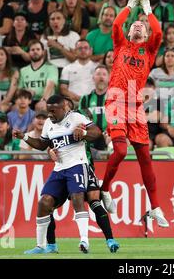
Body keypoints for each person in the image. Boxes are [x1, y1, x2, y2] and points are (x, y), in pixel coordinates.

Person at [100, 0, 169, 228]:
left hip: (136, 107)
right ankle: (105, 190)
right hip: (116, 101)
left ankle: (156, 207)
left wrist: (148, 11)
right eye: (135, 26)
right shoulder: (120, 45)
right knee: (119, 151)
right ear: (129, 33)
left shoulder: (149, 53)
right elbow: (117, 23)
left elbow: (158, 33)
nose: (138, 27)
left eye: (142, 26)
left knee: (145, 159)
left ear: (146, 34)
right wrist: (129, 5)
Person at [13, 94, 103, 254]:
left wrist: (83, 133)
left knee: (77, 199)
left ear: (64, 108)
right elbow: (42, 145)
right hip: (59, 168)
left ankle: (84, 241)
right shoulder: (48, 123)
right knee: (44, 203)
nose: (50, 115)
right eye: (48, 111)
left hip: (77, 164)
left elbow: (96, 132)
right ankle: (41, 246)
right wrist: (25, 137)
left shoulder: (76, 117)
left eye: (53, 111)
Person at [44, 98, 119, 254]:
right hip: (67, 170)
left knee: (94, 202)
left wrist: (85, 131)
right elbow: (53, 143)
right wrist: (50, 151)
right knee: (48, 205)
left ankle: (110, 240)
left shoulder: (82, 124)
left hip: (86, 168)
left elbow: (97, 137)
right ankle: (51, 244)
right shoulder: (62, 124)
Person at [18, 40, 59, 111]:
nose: (35, 52)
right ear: (28, 53)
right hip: (27, 101)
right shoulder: (23, 70)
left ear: (43, 52)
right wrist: (26, 91)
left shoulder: (51, 67)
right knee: (15, 108)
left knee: (40, 107)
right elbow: (19, 90)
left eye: (38, 49)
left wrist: (44, 100)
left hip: (46, 100)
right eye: (32, 50)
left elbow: (50, 85)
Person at [78, 65, 110, 151]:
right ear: (93, 78)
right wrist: (95, 133)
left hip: (110, 136)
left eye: (104, 74)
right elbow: (83, 120)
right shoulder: (85, 99)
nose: (101, 77)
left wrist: (109, 132)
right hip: (91, 136)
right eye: (98, 74)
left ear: (109, 78)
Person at [0, 47, 19, 113]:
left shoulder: (14, 72)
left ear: (6, 57)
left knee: (2, 108)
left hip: (7, 102)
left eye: (2, 54)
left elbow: (10, 94)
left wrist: (2, 103)